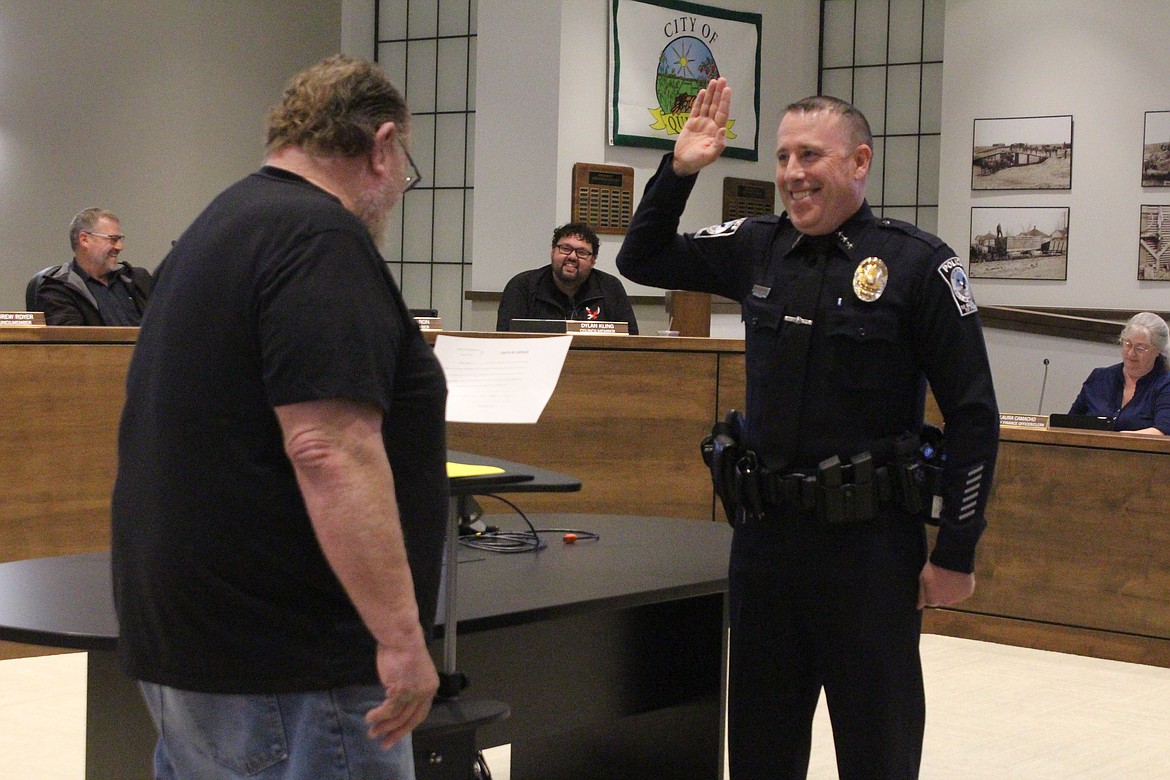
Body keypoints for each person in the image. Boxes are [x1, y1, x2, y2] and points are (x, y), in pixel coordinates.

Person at [616, 79, 999, 779]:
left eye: (811, 156)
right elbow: (640, 260)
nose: (792, 174)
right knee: (761, 747)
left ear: (859, 163)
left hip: (869, 554)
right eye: (784, 157)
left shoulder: (918, 264)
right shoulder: (757, 246)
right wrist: (678, 172)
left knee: (876, 748)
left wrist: (958, 552)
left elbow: (974, 416)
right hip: (766, 547)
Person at [111, 55, 448, 779]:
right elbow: (329, 447)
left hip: (190, 636)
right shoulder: (319, 240)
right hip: (292, 660)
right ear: (381, 146)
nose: (395, 193)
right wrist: (399, 639)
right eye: (404, 171)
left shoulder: (217, 225)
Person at [496, 221, 639, 333]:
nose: (572, 257)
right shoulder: (522, 286)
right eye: (565, 249)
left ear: (593, 260)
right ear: (553, 252)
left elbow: (631, 340)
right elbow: (505, 339)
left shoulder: (610, 287)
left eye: (582, 252)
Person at [34, 208, 152, 325]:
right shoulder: (57, 291)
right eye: (113, 239)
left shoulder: (138, 279)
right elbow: (72, 341)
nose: (119, 247)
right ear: (85, 239)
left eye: (120, 239)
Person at [1069, 311, 1170, 434]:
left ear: (1157, 351)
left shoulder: (1165, 384)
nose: (1131, 353)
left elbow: (1163, 431)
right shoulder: (1099, 378)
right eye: (1127, 344)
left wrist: (1120, 439)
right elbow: (1069, 422)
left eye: (1140, 348)